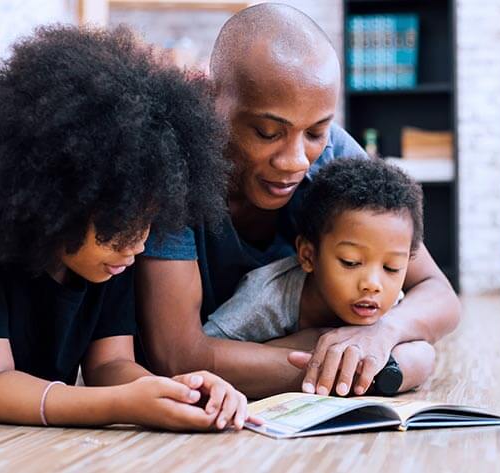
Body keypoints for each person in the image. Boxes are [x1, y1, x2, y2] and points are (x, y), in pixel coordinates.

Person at [0, 25, 259, 432]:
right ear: (59, 195)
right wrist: (122, 405)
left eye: (148, 223)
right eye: (120, 223)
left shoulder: (113, 252)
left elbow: (110, 364)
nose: (137, 244)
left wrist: (181, 393)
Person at [134, 3, 461, 399]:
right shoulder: (173, 169)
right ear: (211, 100)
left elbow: (437, 291)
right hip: (217, 367)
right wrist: (354, 365)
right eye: (268, 132)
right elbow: (177, 356)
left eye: (315, 131)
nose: (295, 160)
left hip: (255, 365)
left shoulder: (334, 153)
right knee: (416, 359)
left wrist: (381, 333)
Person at [202, 159, 437, 393]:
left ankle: (363, 380)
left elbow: (424, 355)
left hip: (349, 385)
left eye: (392, 268)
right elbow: (206, 350)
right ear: (308, 256)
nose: (373, 285)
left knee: (423, 355)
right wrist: (309, 341)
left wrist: (378, 343)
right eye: (351, 262)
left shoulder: (389, 303)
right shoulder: (266, 296)